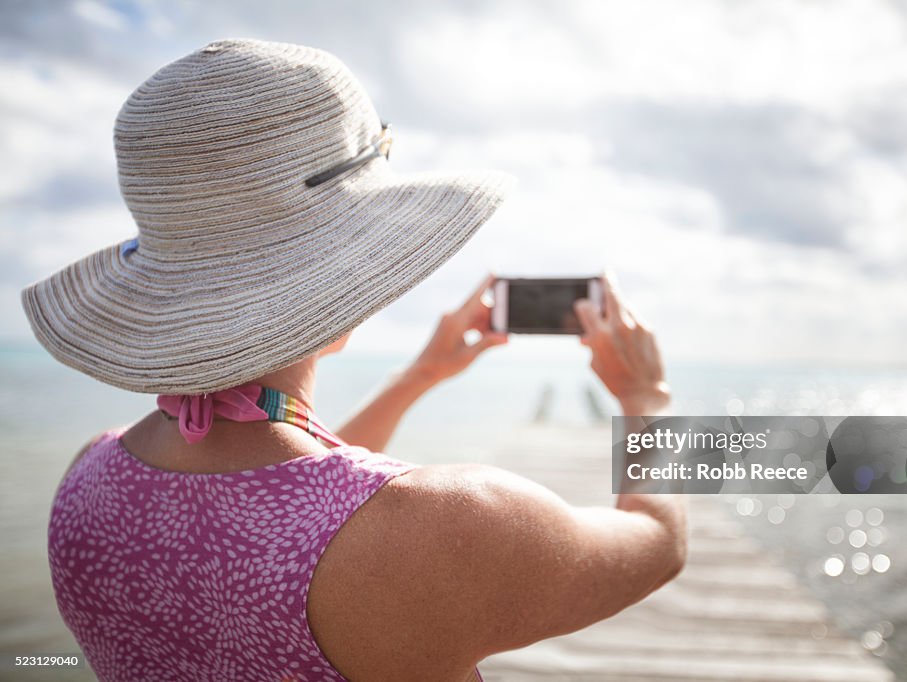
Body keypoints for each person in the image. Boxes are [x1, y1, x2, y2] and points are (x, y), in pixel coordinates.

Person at [23, 39, 686, 682]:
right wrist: (646, 399)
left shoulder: (85, 484)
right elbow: (657, 542)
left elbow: (293, 507)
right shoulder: (454, 527)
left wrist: (421, 377)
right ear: (342, 294)